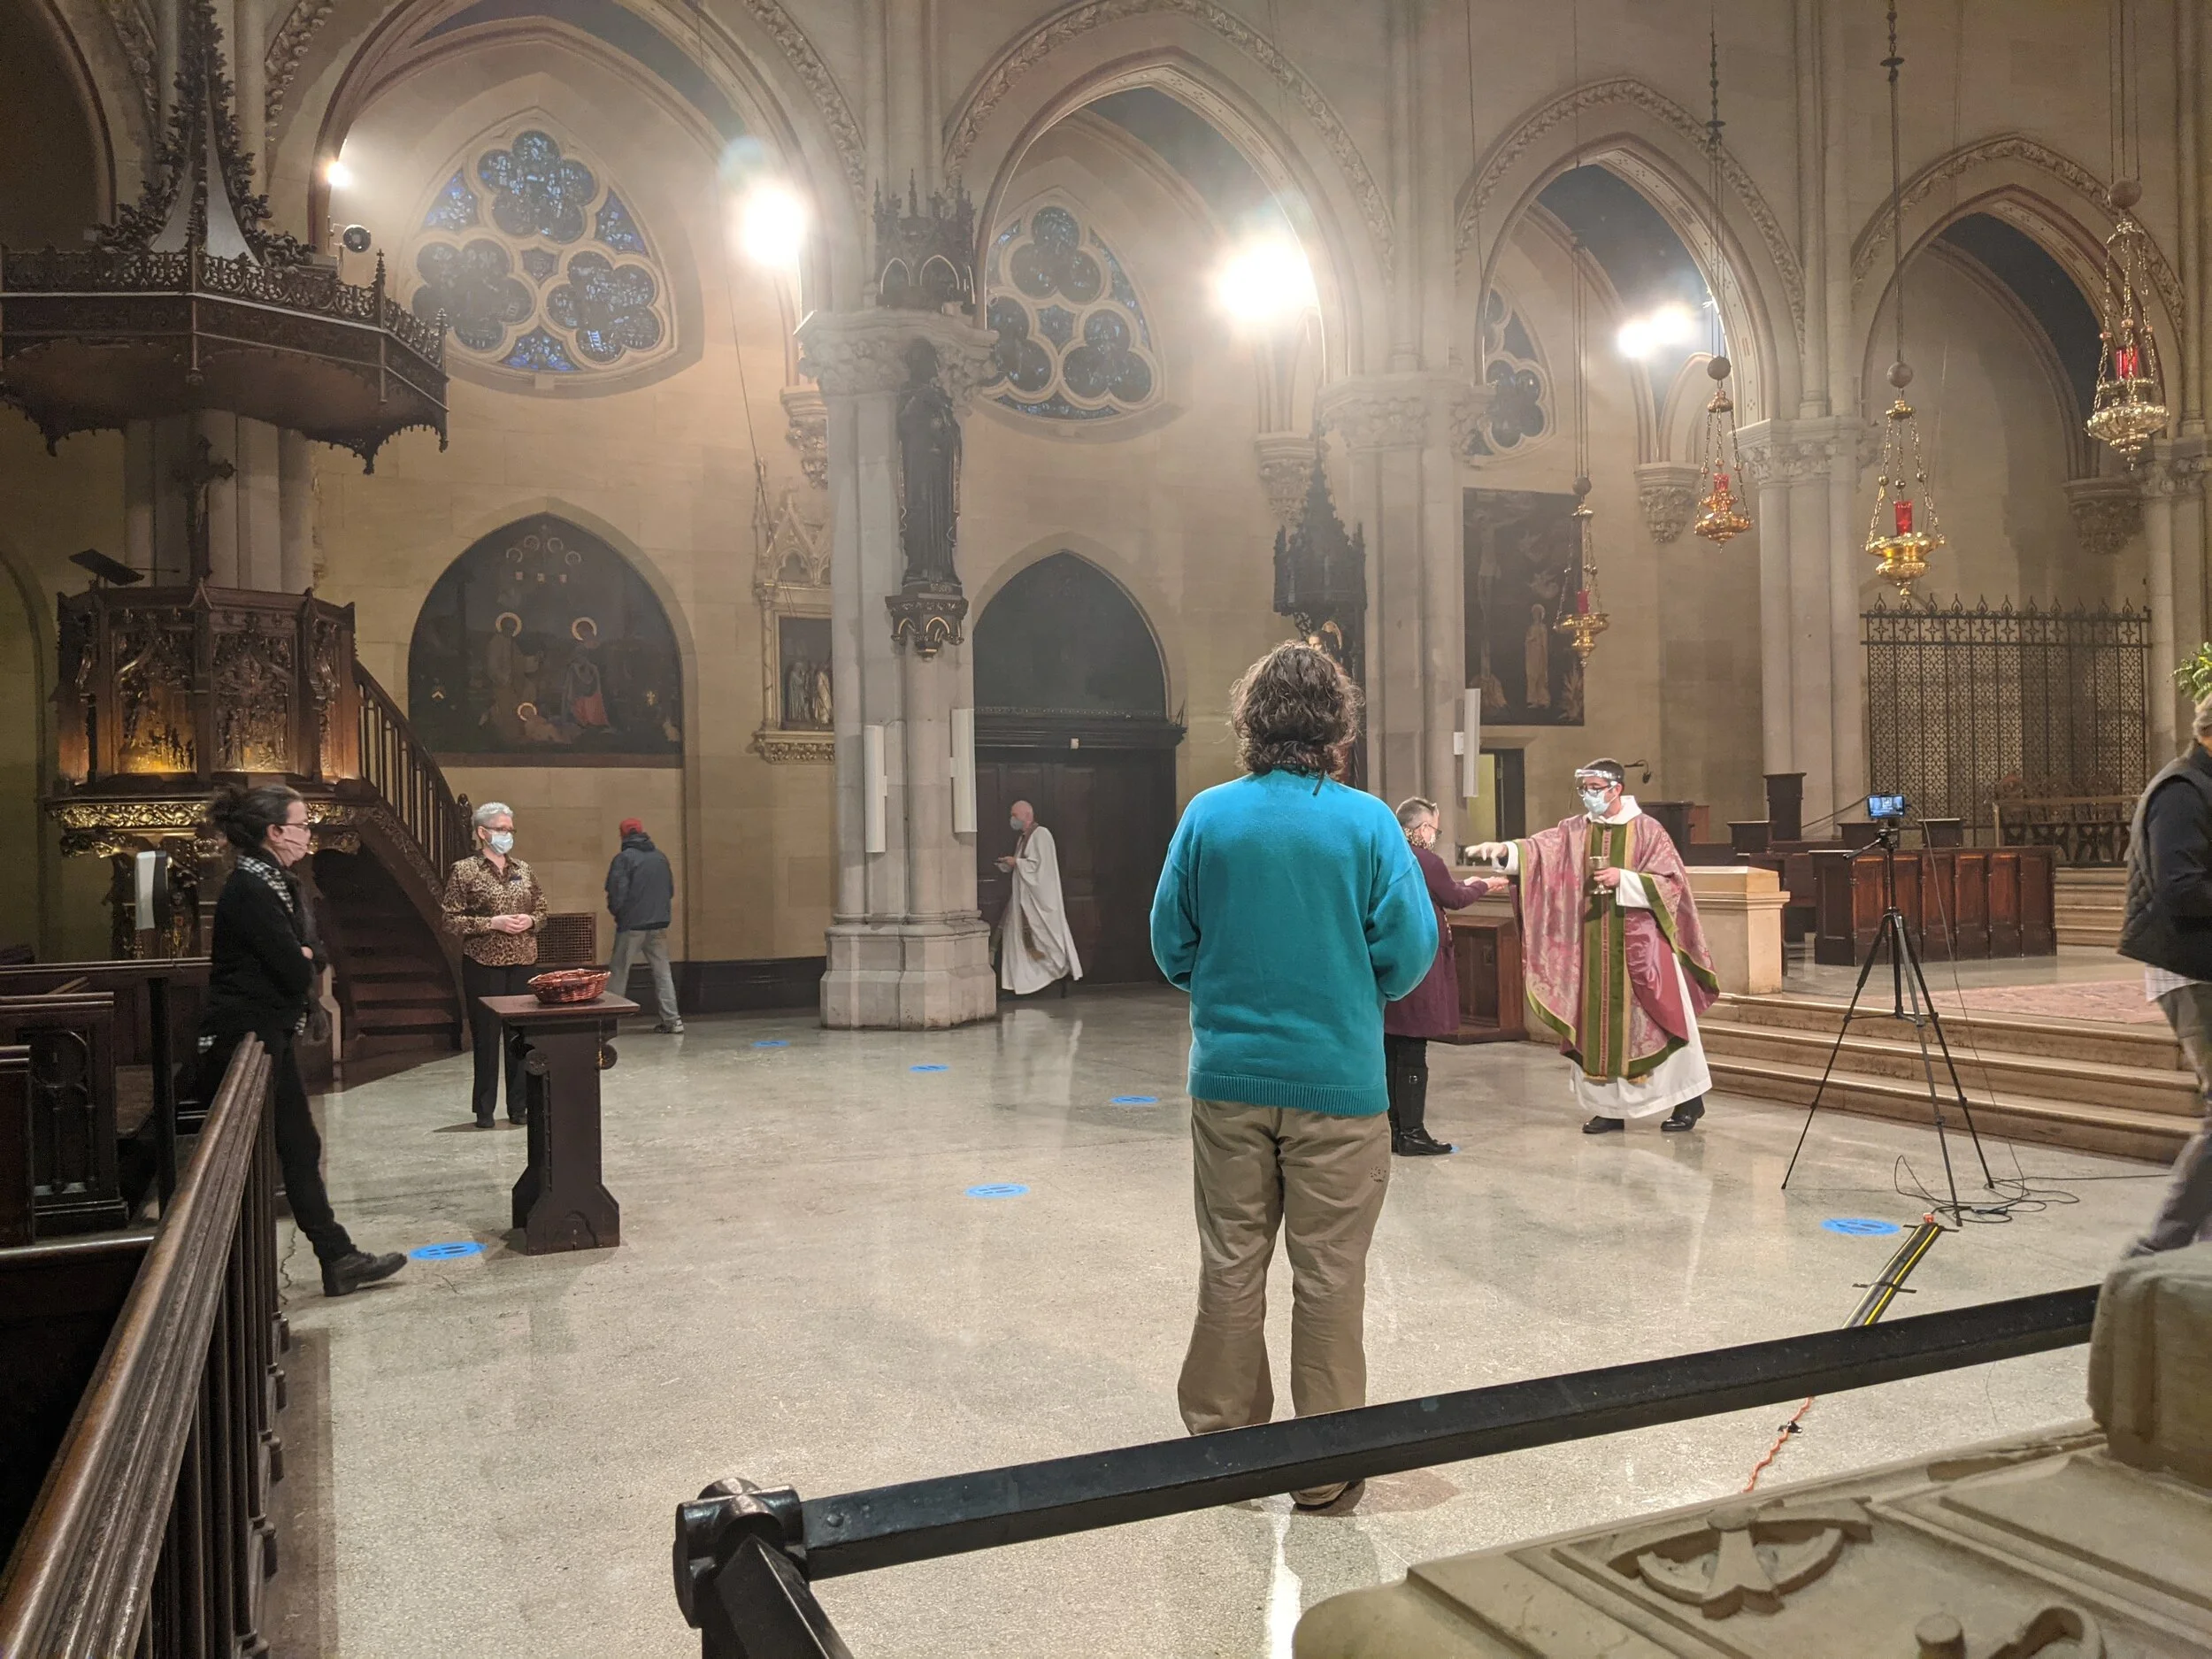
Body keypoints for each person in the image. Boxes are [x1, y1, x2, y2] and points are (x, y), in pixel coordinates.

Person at [1149, 641, 1434, 1514]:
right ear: (1337, 728)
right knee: (1330, 1275)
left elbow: (1169, 941)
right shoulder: (1368, 824)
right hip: (1339, 1086)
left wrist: (1226, 983)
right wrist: (1350, 984)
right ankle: (1322, 1468)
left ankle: (1225, 1452)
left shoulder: (1208, 815)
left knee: (1231, 1262)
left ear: (1250, 723)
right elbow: (1410, 952)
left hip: (1229, 1080)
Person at [194, 784, 403, 1297]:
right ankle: (331, 1257)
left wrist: (306, 955)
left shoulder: (276, 882)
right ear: (275, 832)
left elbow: (314, 951)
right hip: (249, 1037)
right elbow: (293, 965)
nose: (309, 833)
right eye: (303, 824)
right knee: (286, 1145)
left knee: (298, 1144)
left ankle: (338, 1256)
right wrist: (303, 956)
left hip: (269, 1033)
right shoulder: (250, 887)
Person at [1471, 758, 1719, 1135]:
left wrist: (1626, 879)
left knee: (1662, 1017)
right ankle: (1608, 1109)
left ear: (1616, 789)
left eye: (1594, 789)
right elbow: (1539, 851)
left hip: (1641, 945)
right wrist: (1504, 850)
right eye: (1584, 789)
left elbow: (1671, 883)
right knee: (1596, 1026)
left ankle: (1688, 1100)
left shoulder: (1648, 830)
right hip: (1592, 946)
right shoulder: (1575, 830)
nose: (1588, 796)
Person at [2116, 693, 2212, 1255]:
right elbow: (2180, 890)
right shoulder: (2180, 791)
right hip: (2190, 966)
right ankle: (2158, 1250)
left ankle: (2196, 1252)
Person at [1384, 798, 1510, 1156]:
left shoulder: (1386, 855)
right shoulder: (1424, 859)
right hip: (1419, 965)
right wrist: (1482, 885)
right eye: (1435, 831)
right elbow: (1453, 898)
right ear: (1423, 828)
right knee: (1412, 1048)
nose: (1434, 837)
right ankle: (1412, 1132)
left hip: (1391, 963)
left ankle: (1394, 1130)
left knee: (1392, 1048)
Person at [441, 801, 548, 1127]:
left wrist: (531, 920)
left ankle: (519, 1107)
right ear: (482, 832)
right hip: (483, 963)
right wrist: (492, 923)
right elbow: (450, 920)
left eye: (510, 830)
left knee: (520, 1038)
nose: (507, 835)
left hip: (523, 961)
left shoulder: (523, 869)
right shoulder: (465, 871)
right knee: (486, 1039)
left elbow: (542, 909)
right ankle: (484, 1109)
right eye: (501, 829)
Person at [996, 799, 1083, 996]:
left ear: (1027, 815)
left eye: (1014, 815)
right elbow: (1026, 864)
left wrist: (1017, 862)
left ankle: (1054, 974)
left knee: (1044, 939)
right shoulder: (1023, 838)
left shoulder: (1041, 834)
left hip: (1039, 902)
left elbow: (1040, 868)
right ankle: (1020, 984)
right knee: (1016, 939)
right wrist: (1011, 864)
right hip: (1023, 901)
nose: (1012, 819)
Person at [605, 816, 682, 1033]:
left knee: (619, 972)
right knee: (663, 973)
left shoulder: (623, 859)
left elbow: (617, 893)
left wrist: (619, 914)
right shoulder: (660, 857)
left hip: (632, 924)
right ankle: (673, 1020)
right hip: (658, 923)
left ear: (622, 835)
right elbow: (670, 890)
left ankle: (610, 1022)